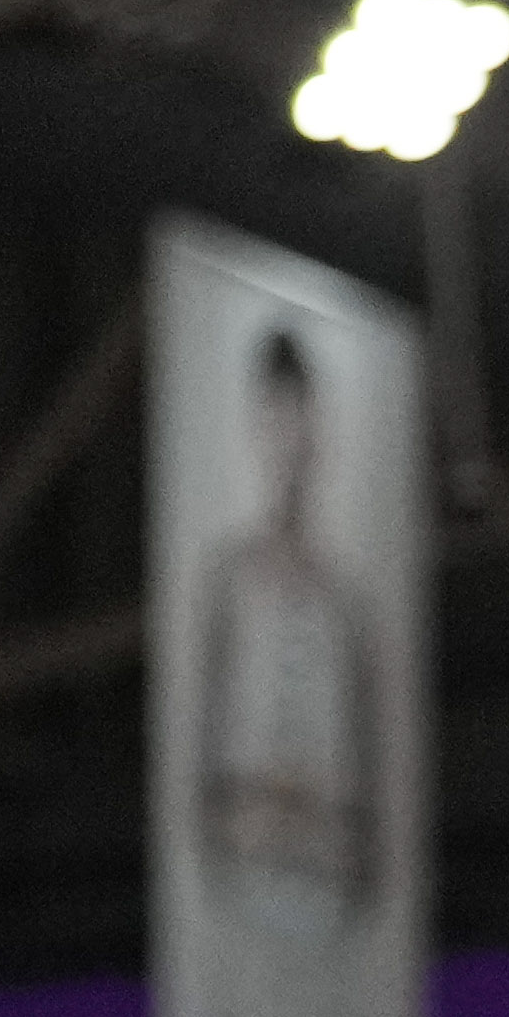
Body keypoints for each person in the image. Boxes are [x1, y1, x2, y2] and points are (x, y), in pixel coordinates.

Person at [186, 322, 390, 930]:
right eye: (274, 419)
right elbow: (205, 737)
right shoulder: (229, 578)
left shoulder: (348, 600)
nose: (289, 441)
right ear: (256, 427)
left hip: (327, 872)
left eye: (299, 419)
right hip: (247, 860)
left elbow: (368, 751)